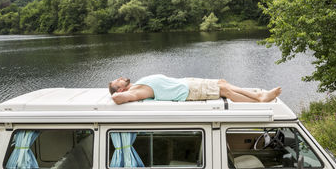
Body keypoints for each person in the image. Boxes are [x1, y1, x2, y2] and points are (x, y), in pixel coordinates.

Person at [109, 74, 282, 105]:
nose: (120, 77)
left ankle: (258, 97)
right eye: (118, 81)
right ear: (120, 90)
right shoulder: (135, 92)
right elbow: (118, 100)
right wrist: (118, 95)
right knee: (224, 90)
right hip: (188, 91)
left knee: (222, 83)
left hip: (186, 83)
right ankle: (259, 98)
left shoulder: (136, 84)